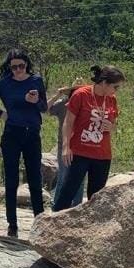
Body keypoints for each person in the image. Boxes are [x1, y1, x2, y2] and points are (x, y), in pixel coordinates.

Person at [0, 49, 47, 238]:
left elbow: (44, 108)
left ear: (27, 65)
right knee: (12, 179)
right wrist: (0, 113)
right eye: (13, 67)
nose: (17, 70)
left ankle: (39, 220)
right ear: (9, 67)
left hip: (32, 133)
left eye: (21, 66)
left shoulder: (36, 81)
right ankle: (12, 224)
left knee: (34, 179)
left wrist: (36, 100)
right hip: (12, 134)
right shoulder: (5, 83)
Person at [53, 65, 125, 212]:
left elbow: (114, 123)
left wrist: (110, 126)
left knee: (96, 199)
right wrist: (66, 147)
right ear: (104, 83)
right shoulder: (81, 94)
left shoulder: (112, 99)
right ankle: (50, 226)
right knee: (67, 193)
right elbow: (68, 122)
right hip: (80, 152)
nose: (116, 91)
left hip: (102, 155)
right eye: (115, 87)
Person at [48, 78, 85, 210]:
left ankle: (77, 207)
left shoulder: (86, 104)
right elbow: (44, 108)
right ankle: (56, 206)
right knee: (64, 176)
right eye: (75, 91)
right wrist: (57, 94)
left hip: (82, 145)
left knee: (79, 178)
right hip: (65, 144)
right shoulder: (63, 104)